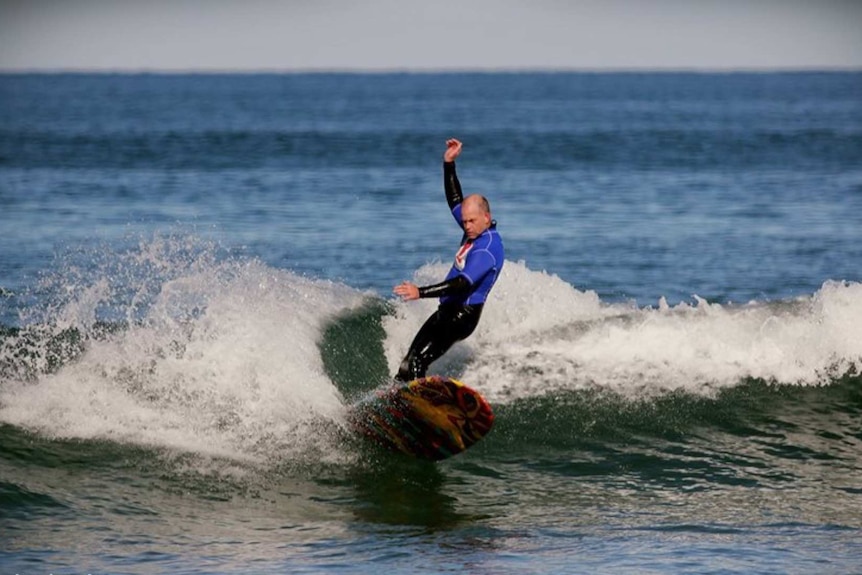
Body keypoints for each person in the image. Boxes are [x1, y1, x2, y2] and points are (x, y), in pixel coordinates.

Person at [393, 138, 505, 382]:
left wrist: (419, 292)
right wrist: (449, 164)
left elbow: (462, 285)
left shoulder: (487, 248)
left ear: (487, 217)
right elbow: (455, 200)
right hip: (447, 311)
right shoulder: (474, 230)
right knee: (408, 361)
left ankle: (421, 411)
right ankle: (394, 401)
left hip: (462, 316)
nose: (466, 225)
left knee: (419, 361)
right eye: (464, 221)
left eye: (471, 221)